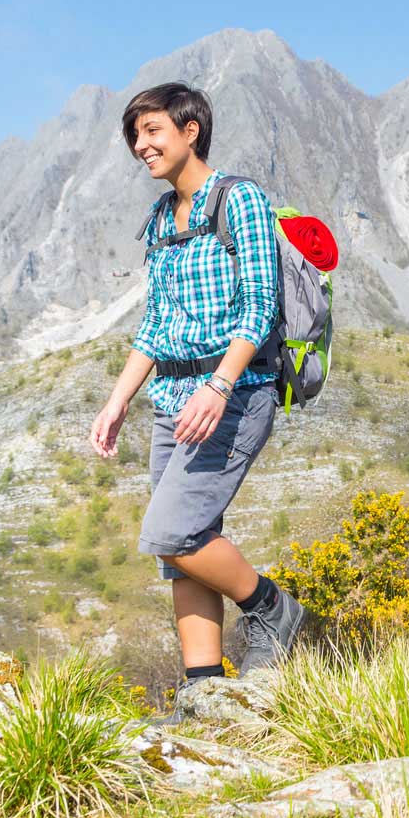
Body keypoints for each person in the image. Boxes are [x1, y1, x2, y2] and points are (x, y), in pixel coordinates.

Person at [90, 82, 304, 692]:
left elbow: (260, 305)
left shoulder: (239, 201)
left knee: (172, 533)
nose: (141, 145)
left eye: (152, 131)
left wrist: (218, 385)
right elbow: (157, 321)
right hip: (171, 401)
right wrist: (118, 401)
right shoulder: (160, 217)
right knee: (181, 548)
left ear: (190, 132)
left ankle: (272, 608)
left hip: (234, 394)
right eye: (135, 135)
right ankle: (204, 686)